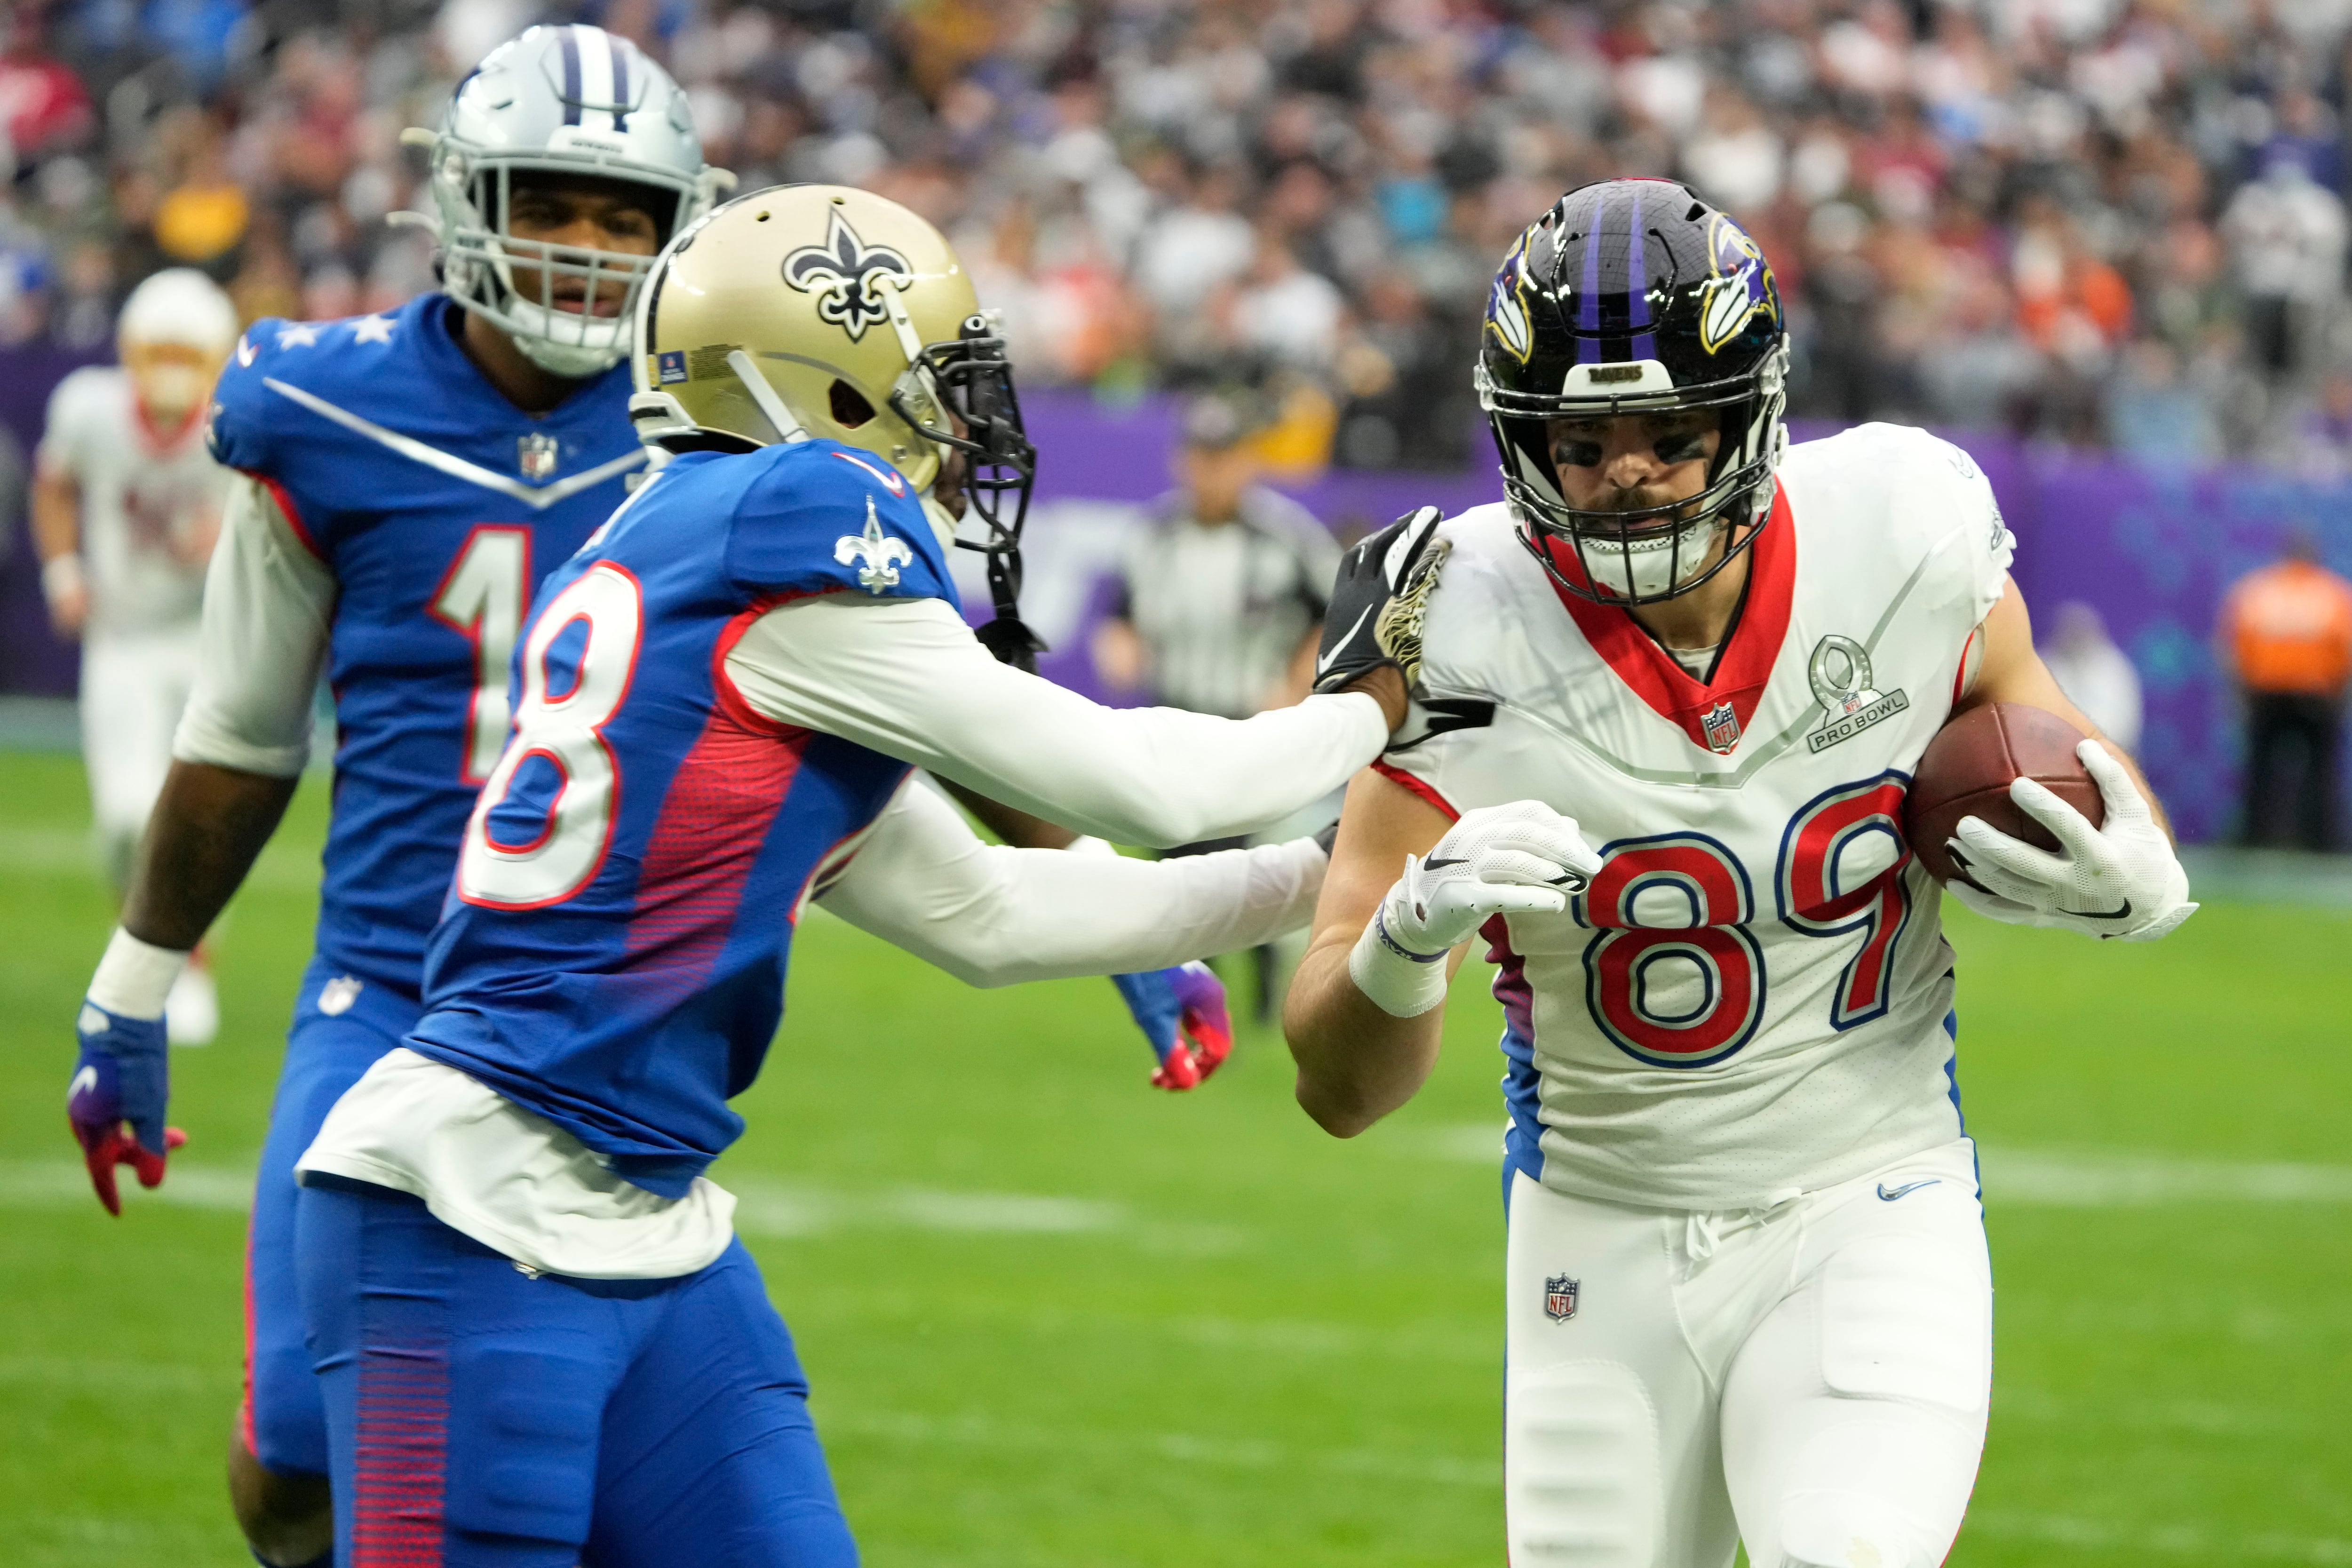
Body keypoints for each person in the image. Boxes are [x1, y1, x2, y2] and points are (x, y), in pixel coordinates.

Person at [259, 182, 1401, 1566]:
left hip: (642, 1206)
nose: (958, 421)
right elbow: (1139, 783)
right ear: (822, 386)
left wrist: (1333, 875)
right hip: (467, 1205)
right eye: (925, 381)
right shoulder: (787, 529)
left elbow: (989, 915)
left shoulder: (697, 551)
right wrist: (1381, 701)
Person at [1288, 180, 2198, 1568]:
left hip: (1868, 1199)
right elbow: (1339, 1094)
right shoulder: (1447, 619)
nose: (1626, 472)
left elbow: (2055, 751)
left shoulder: (1900, 531)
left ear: (1754, 411)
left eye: (1669, 432)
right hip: (1592, 1233)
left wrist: (2128, 853)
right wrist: (1408, 935)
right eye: (1579, 440)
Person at [33, 268, 238, 1045]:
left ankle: (190, 961)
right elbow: (54, 486)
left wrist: (233, 534)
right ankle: (150, 948)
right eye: (162, 351)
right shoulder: (90, 410)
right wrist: (64, 570)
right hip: (122, 638)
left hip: (207, 640)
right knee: (125, 821)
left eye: (192, 354)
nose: (175, 371)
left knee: (190, 816)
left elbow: (286, 508)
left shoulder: (237, 421)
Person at [1092, 390, 1342, 1017]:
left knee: (1246, 856)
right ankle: (1193, 992)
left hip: (1248, 720)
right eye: (1201, 458)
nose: (1211, 472)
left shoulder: (1282, 538)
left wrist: (1295, 685)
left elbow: (1332, 617)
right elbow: (1120, 614)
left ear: (1248, 463)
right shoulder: (1155, 535)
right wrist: (1120, 647)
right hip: (1173, 715)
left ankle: (1260, 988)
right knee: (1175, 864)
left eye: (1224, 458)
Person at [2217, 532, 2352, 851]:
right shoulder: (2332, 593)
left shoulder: (2257, 590)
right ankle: (2320, 842)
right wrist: (2341, 695)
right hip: (2316, 694)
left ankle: (2255, 839)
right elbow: (2346, 651)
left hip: (2266, 694)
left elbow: (2234, 650)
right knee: (2319, 774)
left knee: (2261, 772)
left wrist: (2240, 696)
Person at [2039, 600, 2143, 754]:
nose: (2075, 639)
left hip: (2109, 754)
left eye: (2080, 633)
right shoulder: (2044, 664)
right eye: (2071, 632)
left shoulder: (2114, 668)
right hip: (2052, 754)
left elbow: (2125, 723)